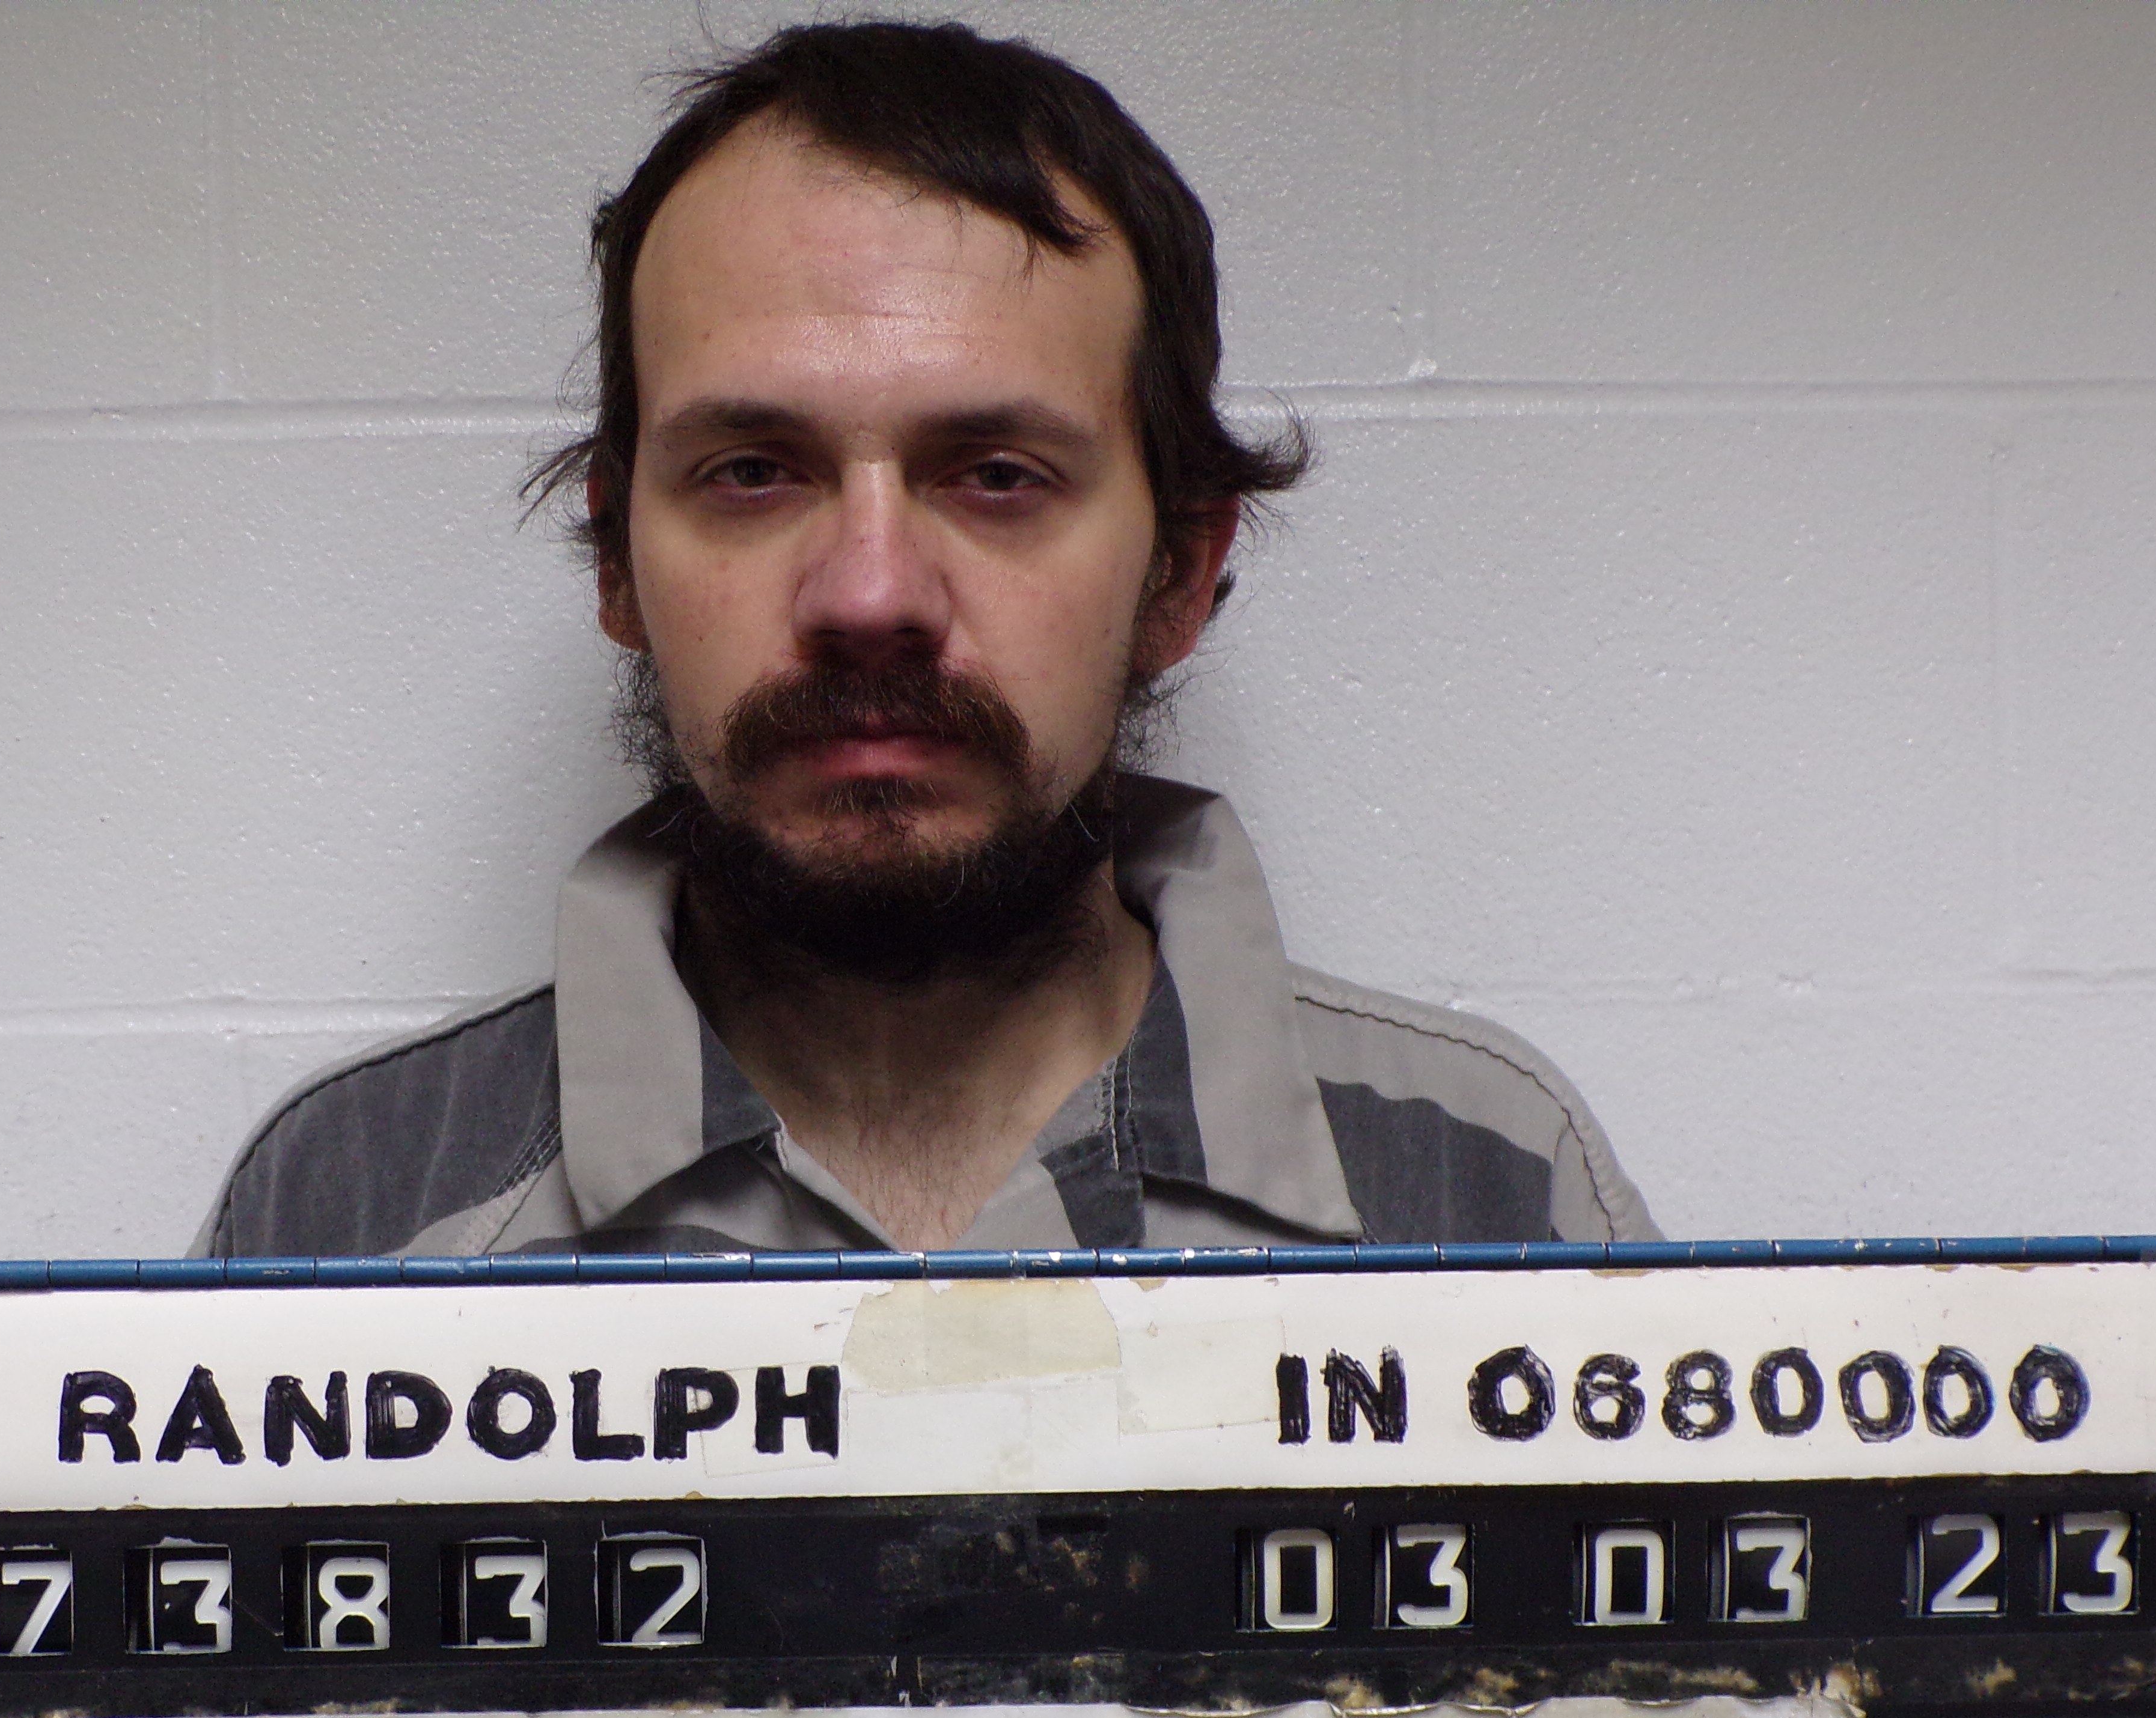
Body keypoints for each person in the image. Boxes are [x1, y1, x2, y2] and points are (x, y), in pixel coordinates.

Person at [199, 20, 1654, 1259]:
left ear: (1179, 572)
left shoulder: (1487, 1185)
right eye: (752, 472)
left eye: (998, 476)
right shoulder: (348, 1208)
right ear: (619, 564)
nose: (870, 594)